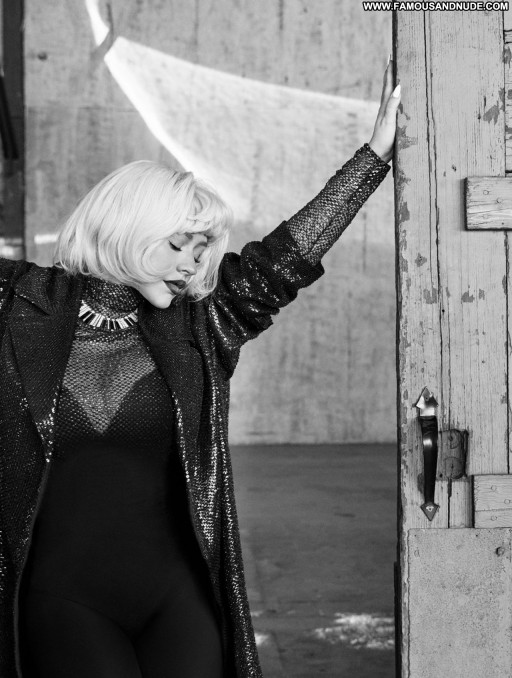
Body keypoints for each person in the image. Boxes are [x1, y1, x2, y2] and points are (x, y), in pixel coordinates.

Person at [0, 60, 400, 678]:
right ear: (126, 229)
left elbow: (287, 256)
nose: (192, 264)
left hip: (178, 601)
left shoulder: (199, 325)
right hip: (64, 604)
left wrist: (373, 158)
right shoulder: (19, 307)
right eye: (176, 244)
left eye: (201, 248)